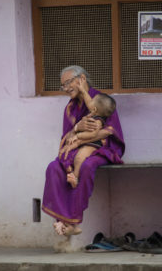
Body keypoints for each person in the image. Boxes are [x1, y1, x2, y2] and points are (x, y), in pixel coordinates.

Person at [42, 65, 125, 236]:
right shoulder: (70, 108)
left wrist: (83, 137)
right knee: (53, 167)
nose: (65, 89)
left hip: (102, 149)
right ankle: (61, 219)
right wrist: (77, 128)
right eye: (63, 85)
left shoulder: (101, 99)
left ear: (81, 79)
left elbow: (109, 132)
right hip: (75, 149)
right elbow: (65, 137)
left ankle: (73, 219)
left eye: (68, 83)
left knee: (87, 166)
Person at [59, 78, 117, 189]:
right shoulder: (94, 112)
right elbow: (88, 101)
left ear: (94, 109)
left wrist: (77, 136)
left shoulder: (98, 122)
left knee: (80, 157)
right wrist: (83, 90)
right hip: (83, 142)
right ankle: (68, 168)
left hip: (92, 144)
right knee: (66, 151)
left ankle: (75, 178)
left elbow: (92, 135)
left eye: (92, 101)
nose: (88, 102)